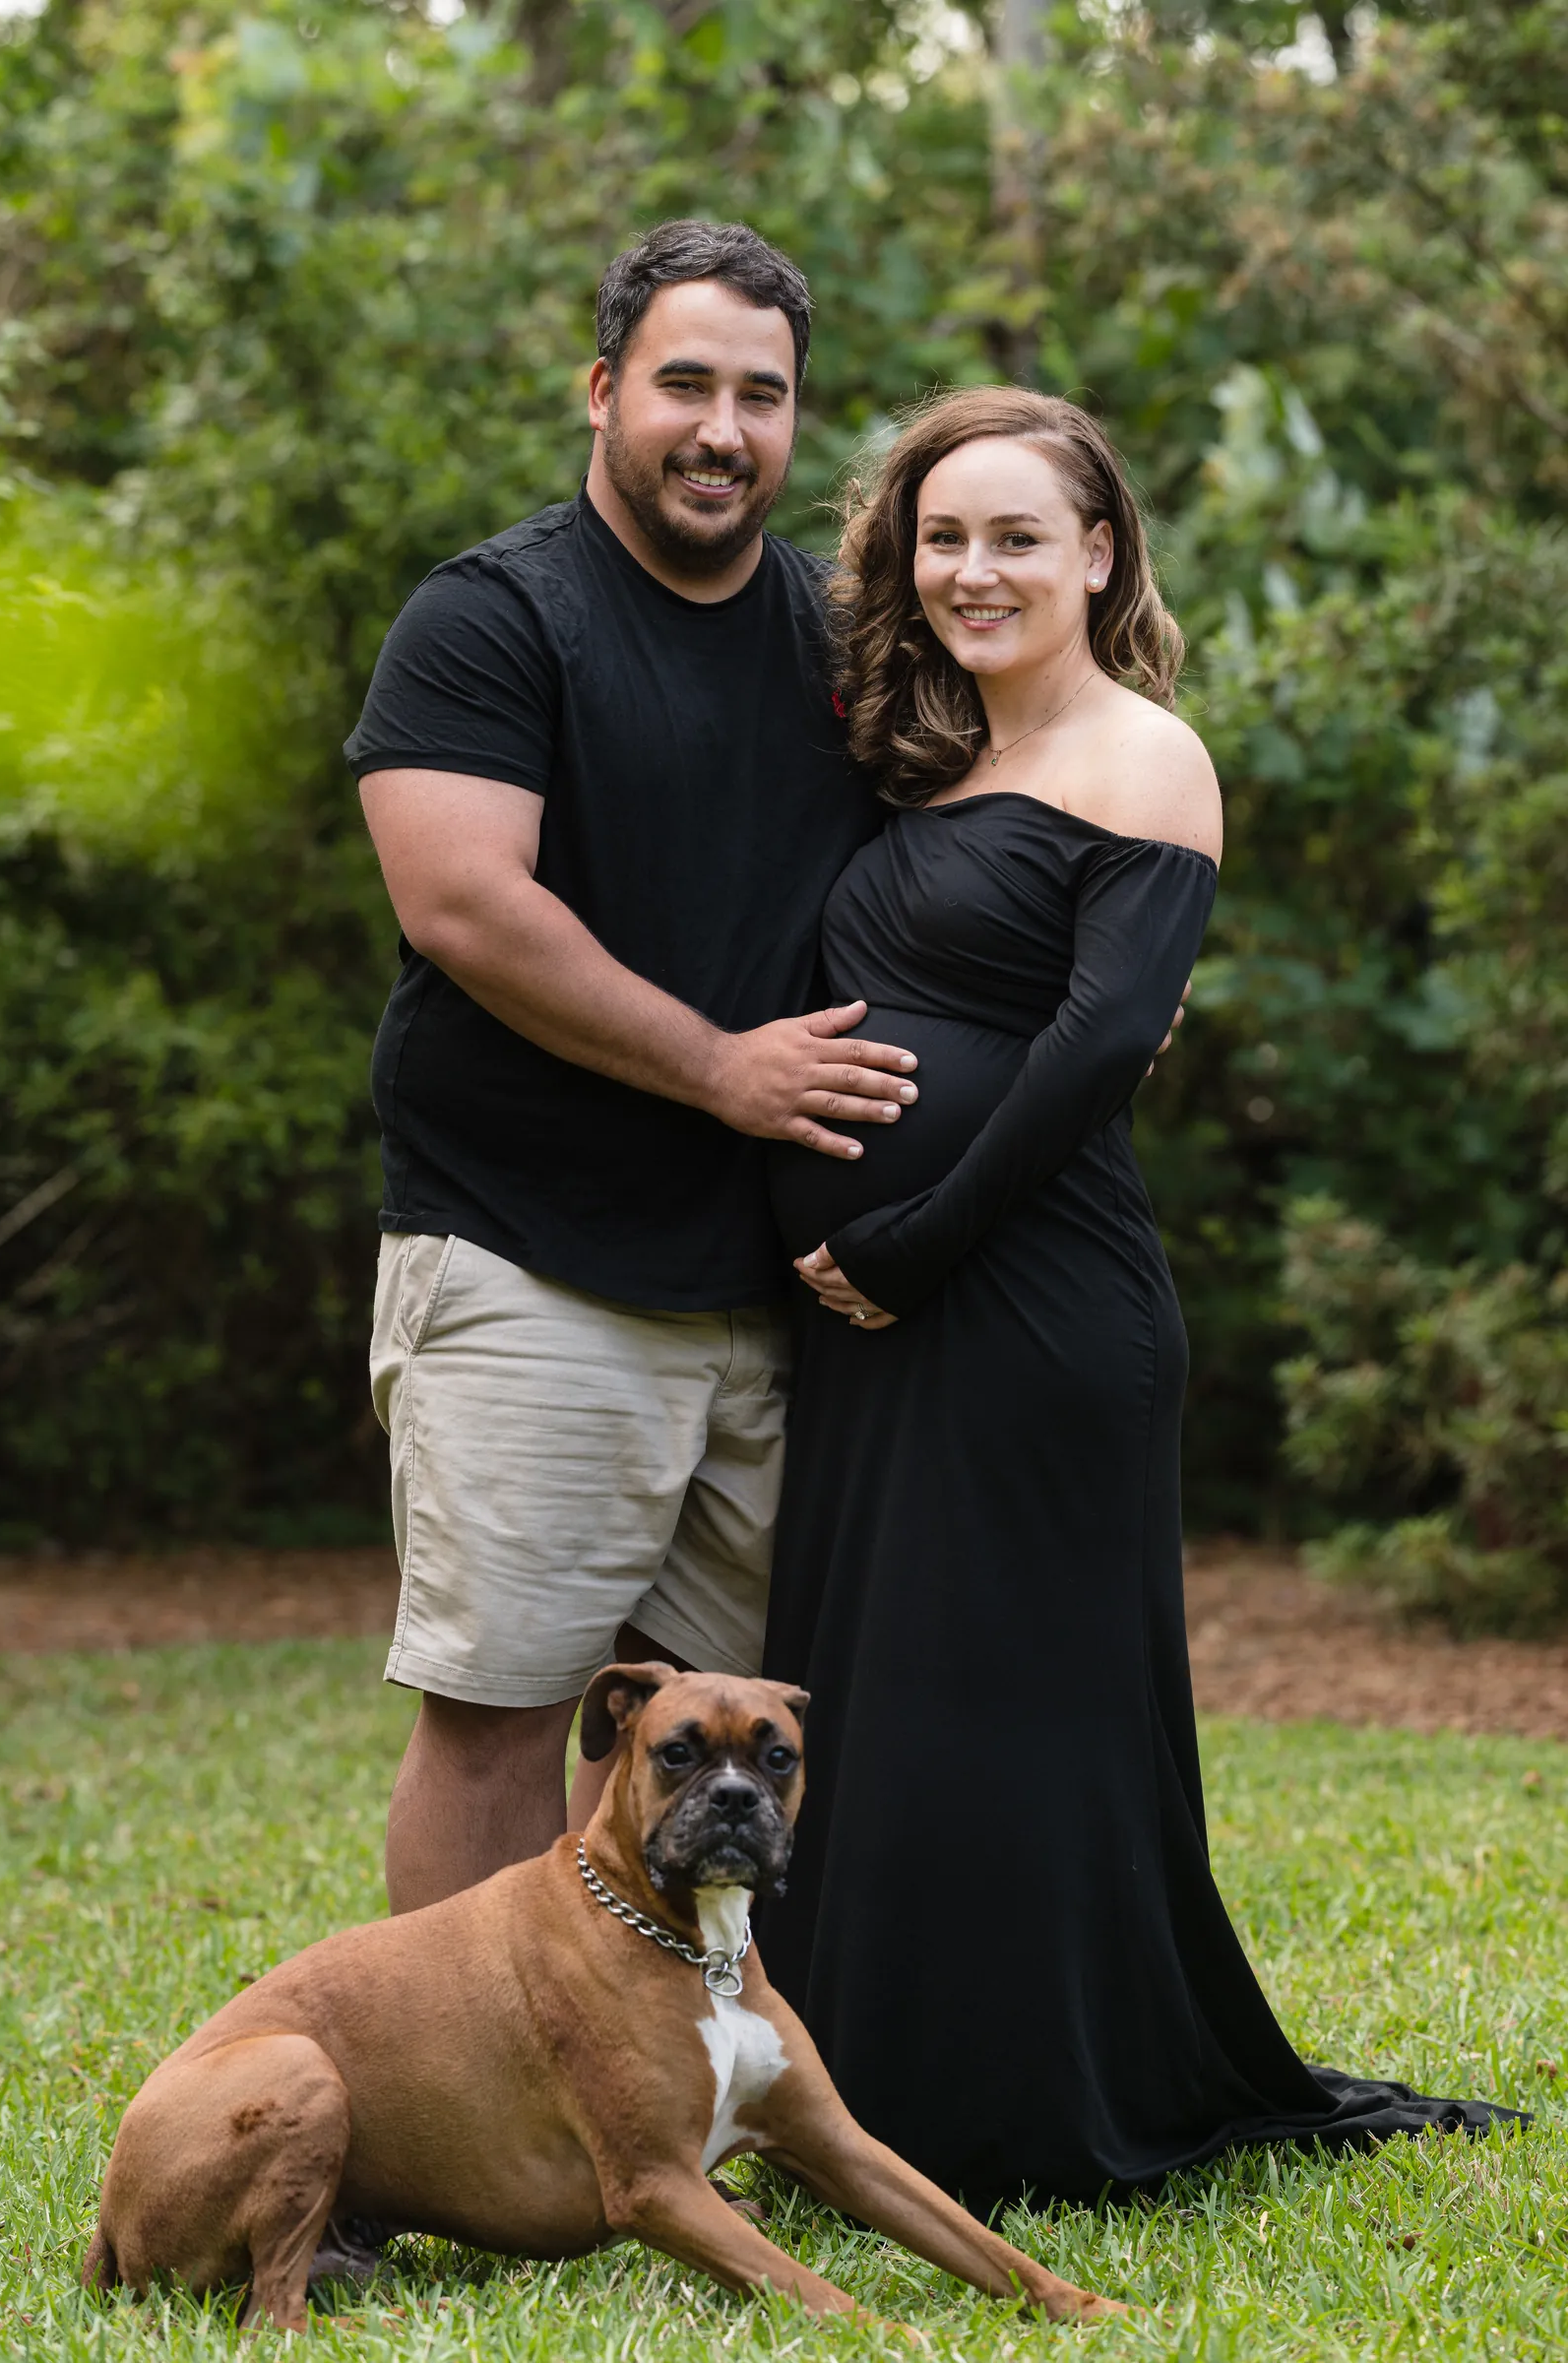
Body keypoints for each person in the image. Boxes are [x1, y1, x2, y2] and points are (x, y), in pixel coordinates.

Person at [759, 387, 1519, 2211]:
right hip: (871, 1313)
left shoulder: (1145, 756)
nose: (975, 568)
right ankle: (860, 2090)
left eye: (1017, 533)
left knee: (1009, 1705)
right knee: (883, 1696)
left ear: (1100, 553)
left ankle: (1028, 2107)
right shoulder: (920, 762)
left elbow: (1099, 1049)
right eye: (944, 536)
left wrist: (910, 1244)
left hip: (1023, 1310)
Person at [346, 220, 922, 1913]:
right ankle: (472, 2130)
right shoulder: (490, 618)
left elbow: (989, 831)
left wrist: (1128, 950)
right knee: (504, 1719)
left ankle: (703, 2093)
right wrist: (724, 1070)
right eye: (686, 382)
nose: (723, 429)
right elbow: (461, 901)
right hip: (534, 1259)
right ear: (603, 391)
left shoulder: (837, 637)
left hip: (770, 1290)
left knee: (737, 1734)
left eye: (765, 394)